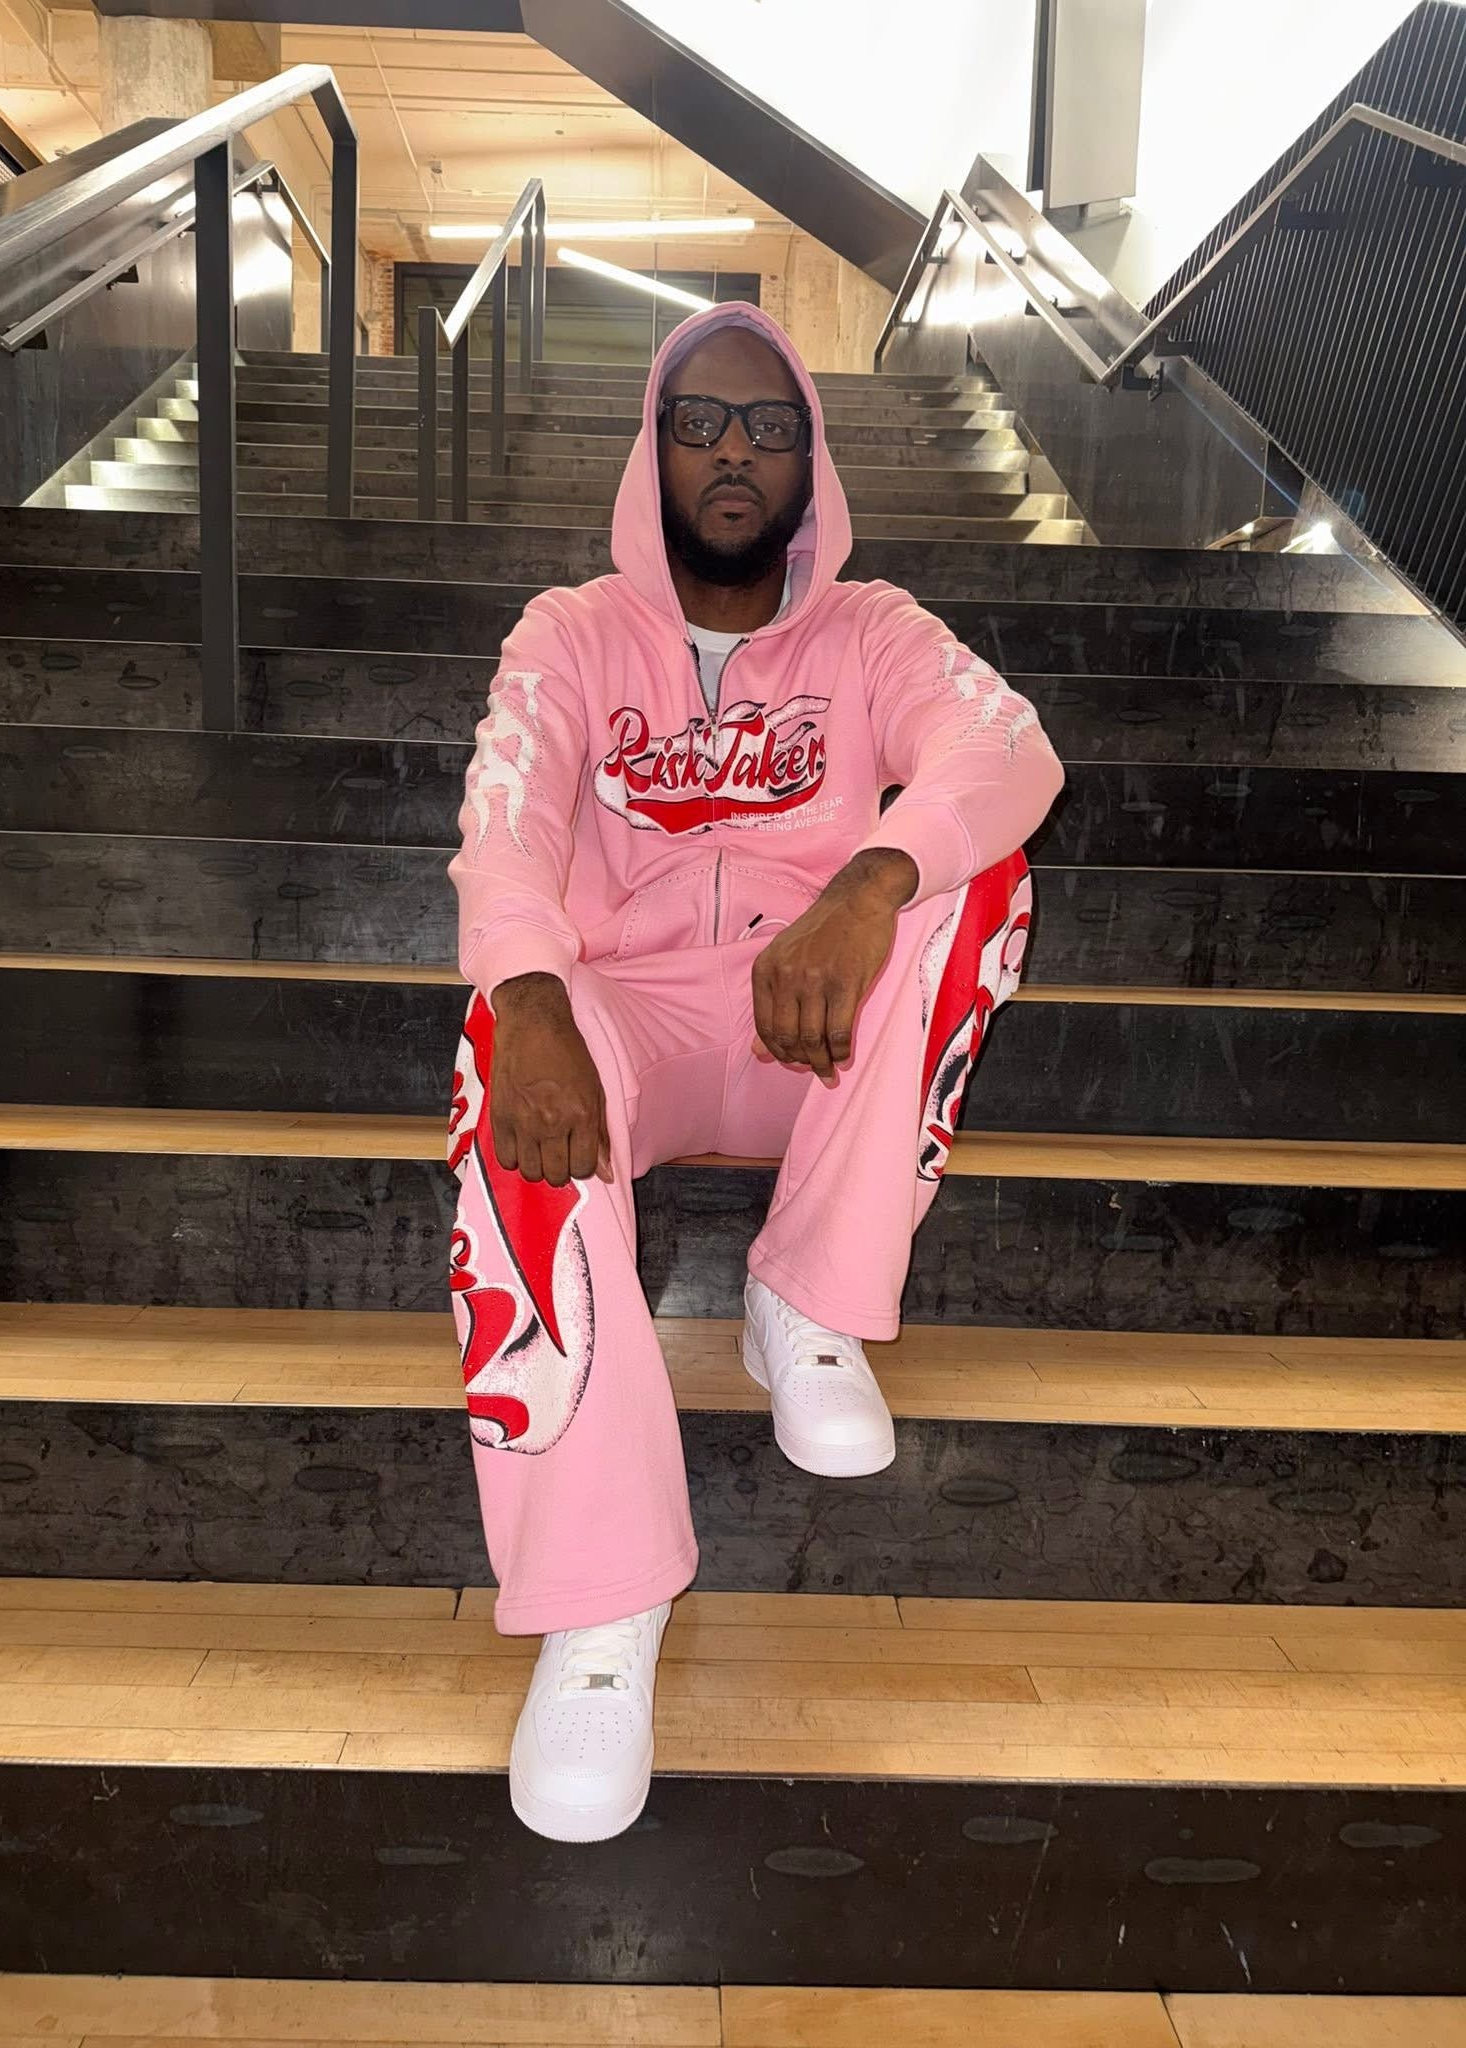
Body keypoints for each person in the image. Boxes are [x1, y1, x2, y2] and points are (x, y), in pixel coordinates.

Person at [447, 301, 1064, 1843]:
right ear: (651, 449)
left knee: (979, 878)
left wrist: (869, 880)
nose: (735, 450)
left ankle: (811, 1296)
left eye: (770, 425)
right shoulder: (571, 634)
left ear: (813, 459)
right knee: (499, 1042)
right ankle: (601, 1608)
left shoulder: (873, 632)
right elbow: (505, 823)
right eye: (702, 423)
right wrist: (529, 991)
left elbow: (1012, 750)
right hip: (637, 1021)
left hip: (814, 1022)